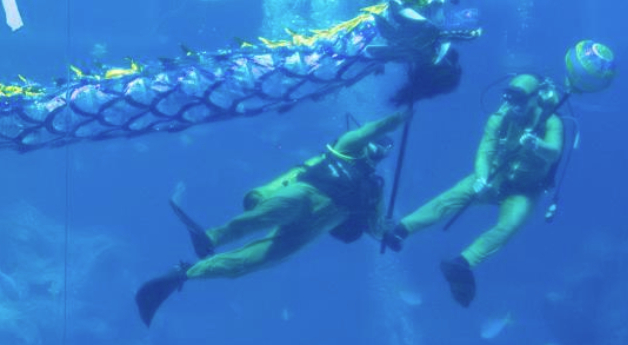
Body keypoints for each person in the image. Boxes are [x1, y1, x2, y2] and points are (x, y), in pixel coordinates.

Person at [134, 110, 407, 327]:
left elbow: (377, 225)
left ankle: (185, 274)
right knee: (263, 216)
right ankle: (212, 237)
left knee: (255, 260)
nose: (378, 151)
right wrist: (401, 116)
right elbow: (373, 128)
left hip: (311, 230)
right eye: (377, 146)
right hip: (304, 196)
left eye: (383, 150)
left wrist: (390, 235)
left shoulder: (375, 190)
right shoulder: (347, 148)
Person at [381, 73, 565, 307]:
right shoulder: (499, 117)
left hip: (524, 190)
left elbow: (554, 152)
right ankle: (401, 229)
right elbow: (485, 150)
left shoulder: (551, 121)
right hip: (494, 177)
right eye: (511, 99)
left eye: (520, 100)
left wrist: (537, 145)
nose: (514, 106)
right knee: (452, 196)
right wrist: (482, 177)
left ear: (534, 98)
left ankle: (463, 263)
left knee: (509, 226)